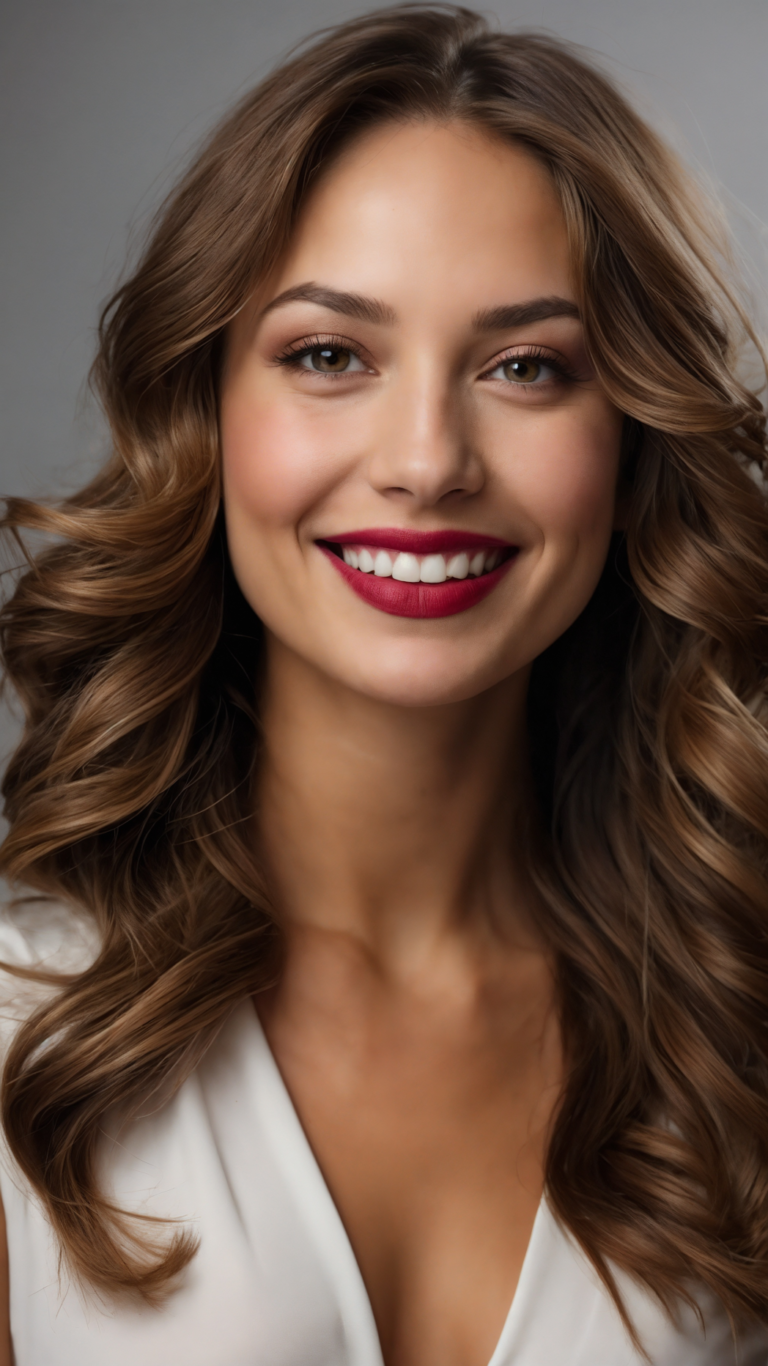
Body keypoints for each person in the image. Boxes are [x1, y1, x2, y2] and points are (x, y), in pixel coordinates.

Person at [0, 5, 767, 1363]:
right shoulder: (22, 1021)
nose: (427, 460)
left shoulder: (733, 1011)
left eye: (525, 366)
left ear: (634, 434)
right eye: (329, 355)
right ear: (207, 412)